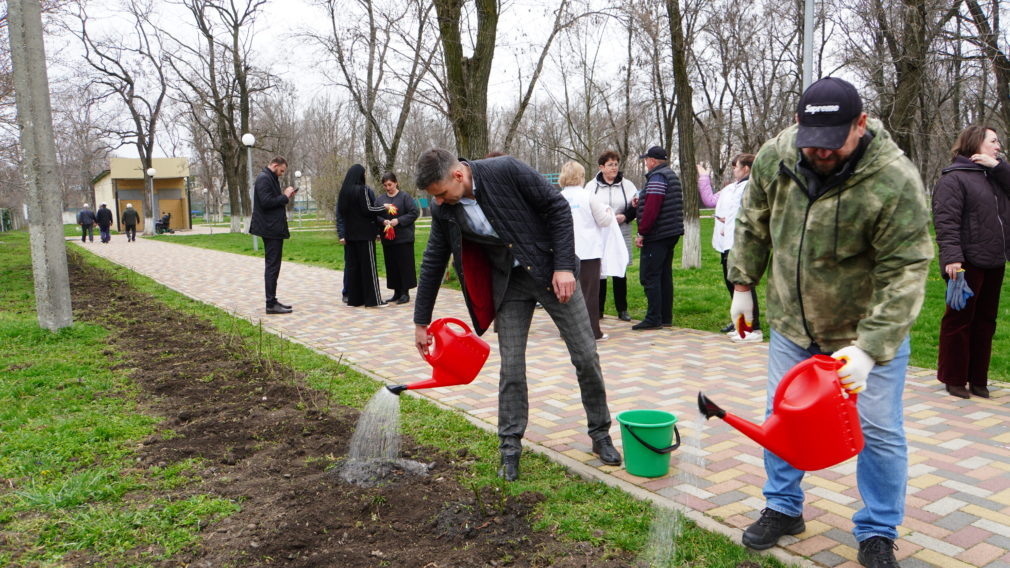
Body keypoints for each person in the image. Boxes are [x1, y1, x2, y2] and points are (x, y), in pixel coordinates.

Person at [728, 77, 932, 567]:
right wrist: (742, 285)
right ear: (798, 123)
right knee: (782, 415)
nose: (820, 151)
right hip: (794, 326)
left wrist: (870, 347)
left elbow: (905, 268)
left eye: (834, 140)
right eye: (810, 139)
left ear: (860, 124)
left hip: (863, 331)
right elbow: (752, 219)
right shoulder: (776, 156)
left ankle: (879, 529)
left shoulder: (895, 179)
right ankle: (782, 506)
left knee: (879, 430)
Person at [412, 148, 622, 481]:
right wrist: (420, 321)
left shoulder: (505, 169)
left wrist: (565, 267)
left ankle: (600, 434)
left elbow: (556, 208)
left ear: (457, 175)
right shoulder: (444, 210)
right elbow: (433, 260)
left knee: (585, 355)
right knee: (511, 367)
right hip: (508, 287)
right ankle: (509, 448)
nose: (437, 202)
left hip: (552, 274)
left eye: (440, 194)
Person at [932, 125, 1010, 399]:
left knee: (986, 322)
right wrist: (952, 258)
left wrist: (999, 167)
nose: (998, 146)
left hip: (994, 259)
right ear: (976, 143)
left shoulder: (995, 175)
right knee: (959, 320)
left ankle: (978, 378)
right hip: (965, 263)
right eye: (993, 141)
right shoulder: (954, 179)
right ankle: (954, 378)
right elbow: (946, 222)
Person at [561, 160, 615, 340]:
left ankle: (567, 331)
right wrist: (609, 211)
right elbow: (604, 221)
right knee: (589, 294)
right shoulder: (588, 196)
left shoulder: (559, 197)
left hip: (565, 253)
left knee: (567, 294)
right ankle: (592, 331)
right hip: (588, 251)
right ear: (581, 176)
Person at [712, 154, 762, 343]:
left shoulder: (750, 186)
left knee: (744, 284)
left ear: (746, 168)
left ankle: (754, 328)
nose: (734, 169)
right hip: (729, 241)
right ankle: (741, 325)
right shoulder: (734, 187)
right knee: (732, 283)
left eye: (737, 166)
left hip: (741, 242)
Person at [633, 146, 684, 330]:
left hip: (658, 234)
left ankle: (653, 318)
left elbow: (653, 209)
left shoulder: (657, 177)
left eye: (646, 160)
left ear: (652, 161)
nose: (646, 163)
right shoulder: (669, 175)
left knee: (650, 275)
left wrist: (642, 232)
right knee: (664, 275)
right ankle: (665, 317)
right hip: (670, 232)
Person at [585, 150, 638, 322]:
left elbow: (636, 206)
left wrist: (626, 216)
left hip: (621, 229)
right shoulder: (592, 186)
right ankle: (598, 309)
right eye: (610, 165)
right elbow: (587, 207)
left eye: (616, 164)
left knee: (619, 266)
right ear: (601, 167)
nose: (614, 168)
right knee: (600, 268)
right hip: (600, 231)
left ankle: (622, 309)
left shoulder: (627, 185)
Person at [249, 156, 297, 315]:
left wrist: (285, 196)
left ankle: (273, 300)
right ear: (275, 165)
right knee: (272, 266)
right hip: (270, 229)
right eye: (281, 170)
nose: (282, 174)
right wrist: (285, 196)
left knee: (274, 266)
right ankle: (270, 303)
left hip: (273, 228)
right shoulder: (264, 179)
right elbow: (266, 202)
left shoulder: (269, 177)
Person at [337, 164, 388, 308]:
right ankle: (373, 300)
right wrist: (384, 208)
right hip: (365, 234)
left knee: (354, 268)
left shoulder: (343, 192)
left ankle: (355, 299)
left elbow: (342, 212)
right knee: (369, 268)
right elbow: (368, 209)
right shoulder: (362, 190)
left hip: (351, 235)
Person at [374, 171, 420, 305]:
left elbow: (414, 213)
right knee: (391, 265)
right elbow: (375, 215)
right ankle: (396, 292)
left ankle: (405, 292)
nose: (388, 187)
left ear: (396, 183)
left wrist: (398, 221)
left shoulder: (405, 197)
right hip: (388, 238)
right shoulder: (380, 200)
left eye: (390, 184)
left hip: (403, 237)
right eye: (385, 185)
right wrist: (383, 222)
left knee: (404, 265)